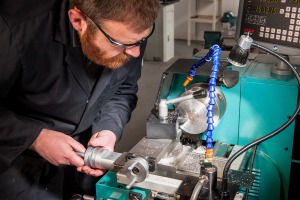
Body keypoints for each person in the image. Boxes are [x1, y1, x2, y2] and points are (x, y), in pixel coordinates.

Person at [0, 0, 160, 199]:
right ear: (78, 21)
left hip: (84, 154)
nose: (135, 53)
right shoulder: (13, 29)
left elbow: (122, 90)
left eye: (141, 41)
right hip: (16, 157)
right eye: (122, 44)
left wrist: (108, 130)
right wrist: (35, 138)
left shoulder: (129, 33)